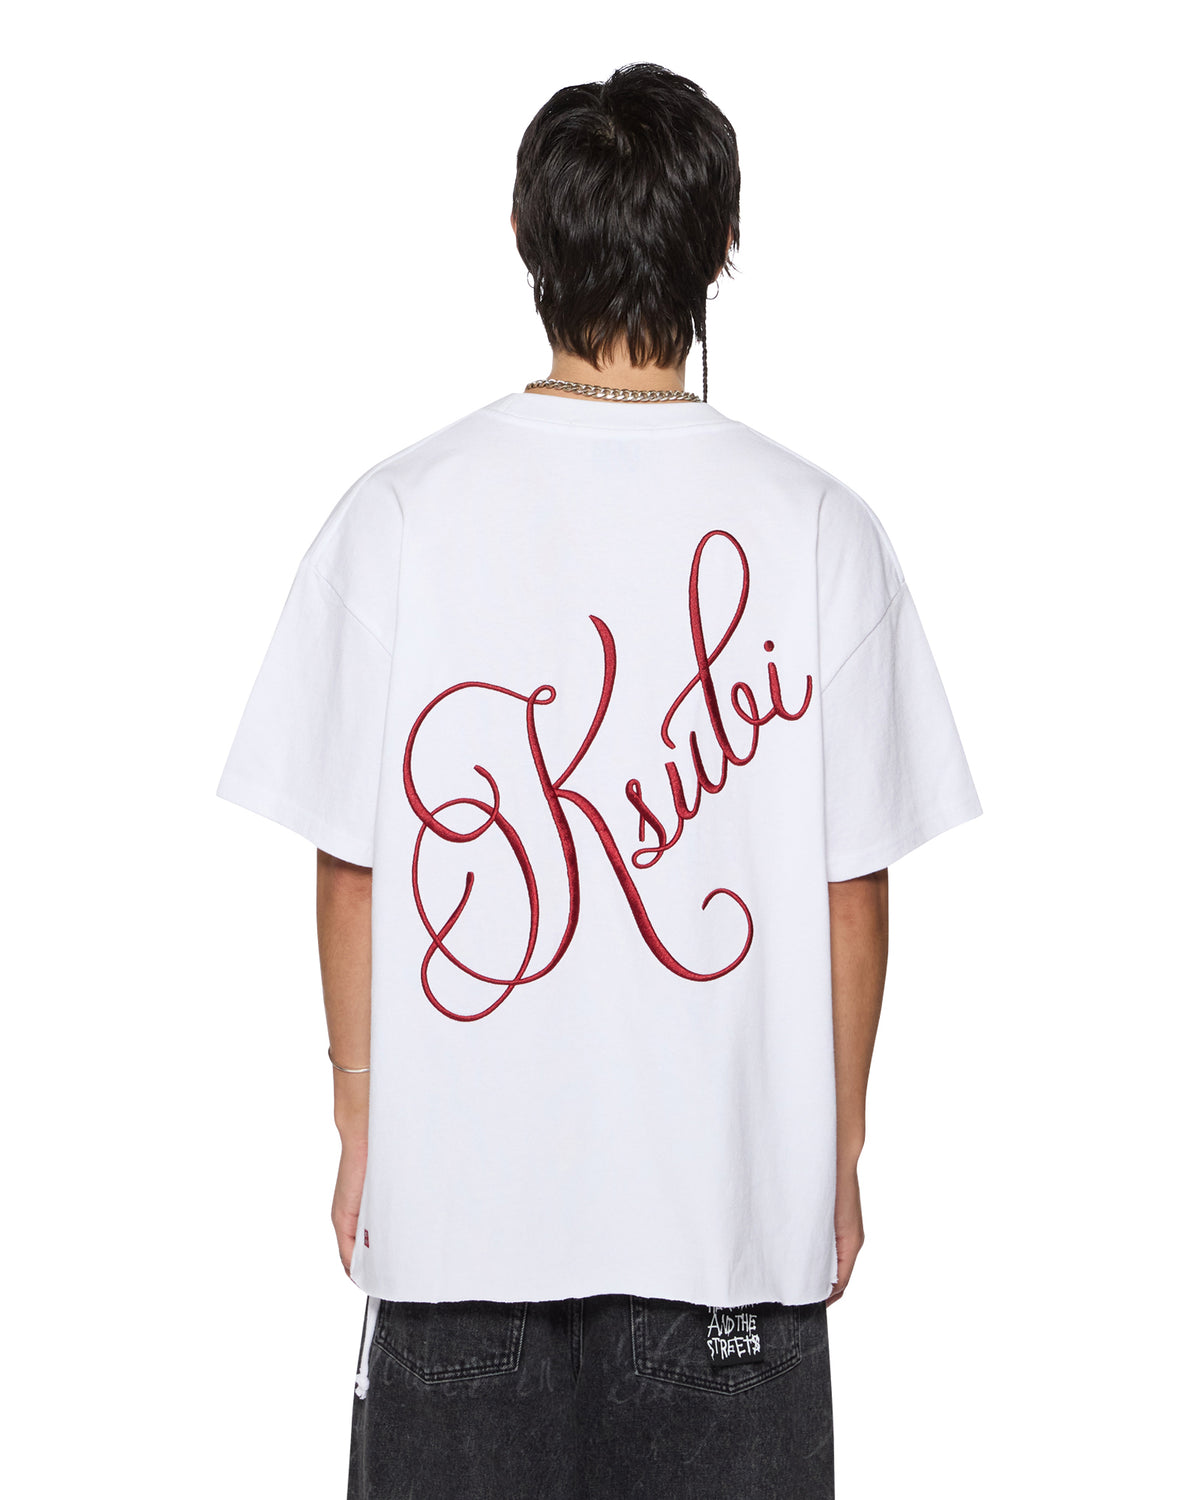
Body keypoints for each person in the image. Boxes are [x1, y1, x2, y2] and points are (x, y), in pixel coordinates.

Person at [216, 61, 981, 1500]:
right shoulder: (820, 528)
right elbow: (852, 895)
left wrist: (362, 1123)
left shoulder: (398, 515)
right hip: (727, 1248)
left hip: (457, 1246)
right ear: (722, 244)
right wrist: (835, 1154)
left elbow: (353, 865)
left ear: (524, 233)